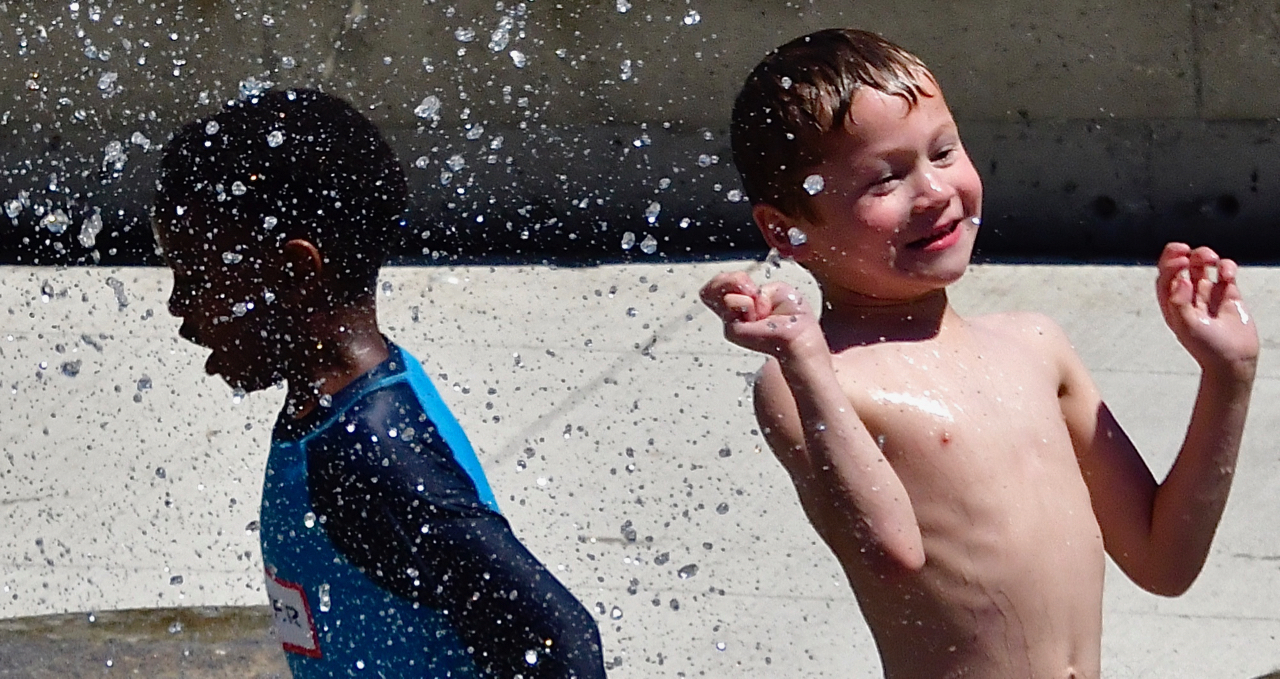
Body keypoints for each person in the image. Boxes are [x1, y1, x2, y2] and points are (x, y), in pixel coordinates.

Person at [701, 28, 1258, 679]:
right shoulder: (816, 382)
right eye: (884, 179)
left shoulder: (1036, 346)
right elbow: (890, 553)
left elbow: (1165, 562)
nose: (934, 190)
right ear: (785, 230)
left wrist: (1227, 375)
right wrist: (802, 358)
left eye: (943, 150)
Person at [153, 88, 605, 679]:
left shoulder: (371, 452)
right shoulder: (328, 414)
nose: (177, 308)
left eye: (197, 277)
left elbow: (555, 635)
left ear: (293, 275)